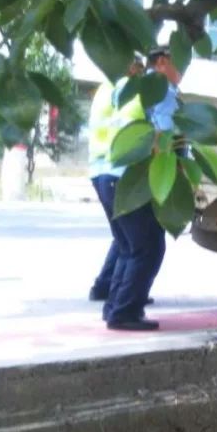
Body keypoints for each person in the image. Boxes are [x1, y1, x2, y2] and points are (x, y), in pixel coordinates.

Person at [92, 47, 182, 330]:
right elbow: (163, 139)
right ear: (164, 63)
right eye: (181, 67)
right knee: (148, 247)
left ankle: (116, 307)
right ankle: (124, 312)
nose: (181, 76)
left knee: (128, 246)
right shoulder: (159, 89)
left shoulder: (113, 89)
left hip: (104, 173)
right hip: (129, 176)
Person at [87, 58, 144, 302]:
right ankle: (120, 296)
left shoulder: (104, 88)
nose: (141, 76)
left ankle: (107, 289)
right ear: (131, 67)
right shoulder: (125, 88)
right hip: (117, 169)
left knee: (122, 239)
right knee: (134, 244)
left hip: (99, 169)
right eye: (140, 70)